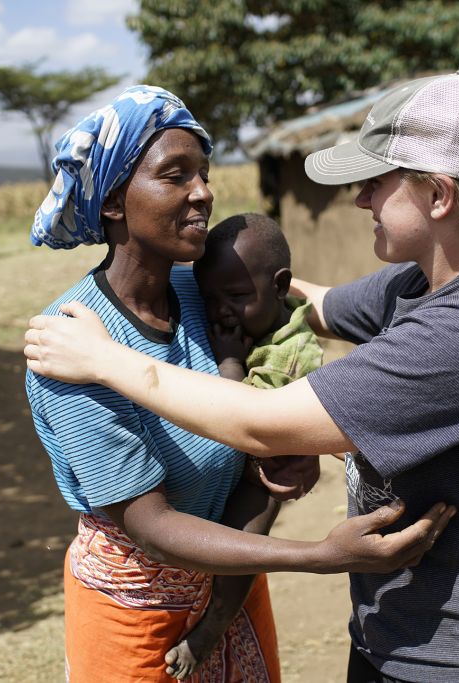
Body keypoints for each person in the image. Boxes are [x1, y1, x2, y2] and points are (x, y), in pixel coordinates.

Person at [25, 72, 459, 682]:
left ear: (438, 196)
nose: (203, 193)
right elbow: (304, 306)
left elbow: (263, 425)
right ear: (112, 201)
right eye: (176, 175)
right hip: (337, 625)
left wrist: (108, 359)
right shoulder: (413, 285)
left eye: (375, 183)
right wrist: (243, 279)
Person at [165, 212, 326, 679]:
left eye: (235, 297)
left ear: (279, 286)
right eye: (210, 299)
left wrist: (231, 364)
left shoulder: (291, 350)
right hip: (243, 464)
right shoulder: (252, 323)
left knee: (243, 542)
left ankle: (212, 627)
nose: (221, 312)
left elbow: (251, 421)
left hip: (264, 472)